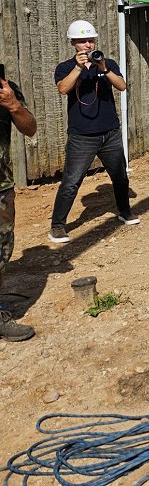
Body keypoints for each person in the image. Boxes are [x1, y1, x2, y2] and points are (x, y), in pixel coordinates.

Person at [49, 20, 138, 245]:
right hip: (82, 136)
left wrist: (103, 68)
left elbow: (121, 86)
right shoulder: (64, 67)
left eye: (90, 40)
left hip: (110, 132)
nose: (87, 45)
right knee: (71, 181)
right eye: (82, 41)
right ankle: (57, 226)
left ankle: (125, 211)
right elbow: (63, 89)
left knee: (120, 176)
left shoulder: (106, 63)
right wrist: (78, 68)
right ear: (73, 44)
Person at [0, 71, 38, 341]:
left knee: (1, 251)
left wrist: (13, 105)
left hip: (1, 188)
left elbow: (30, 127)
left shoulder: (7, 89)